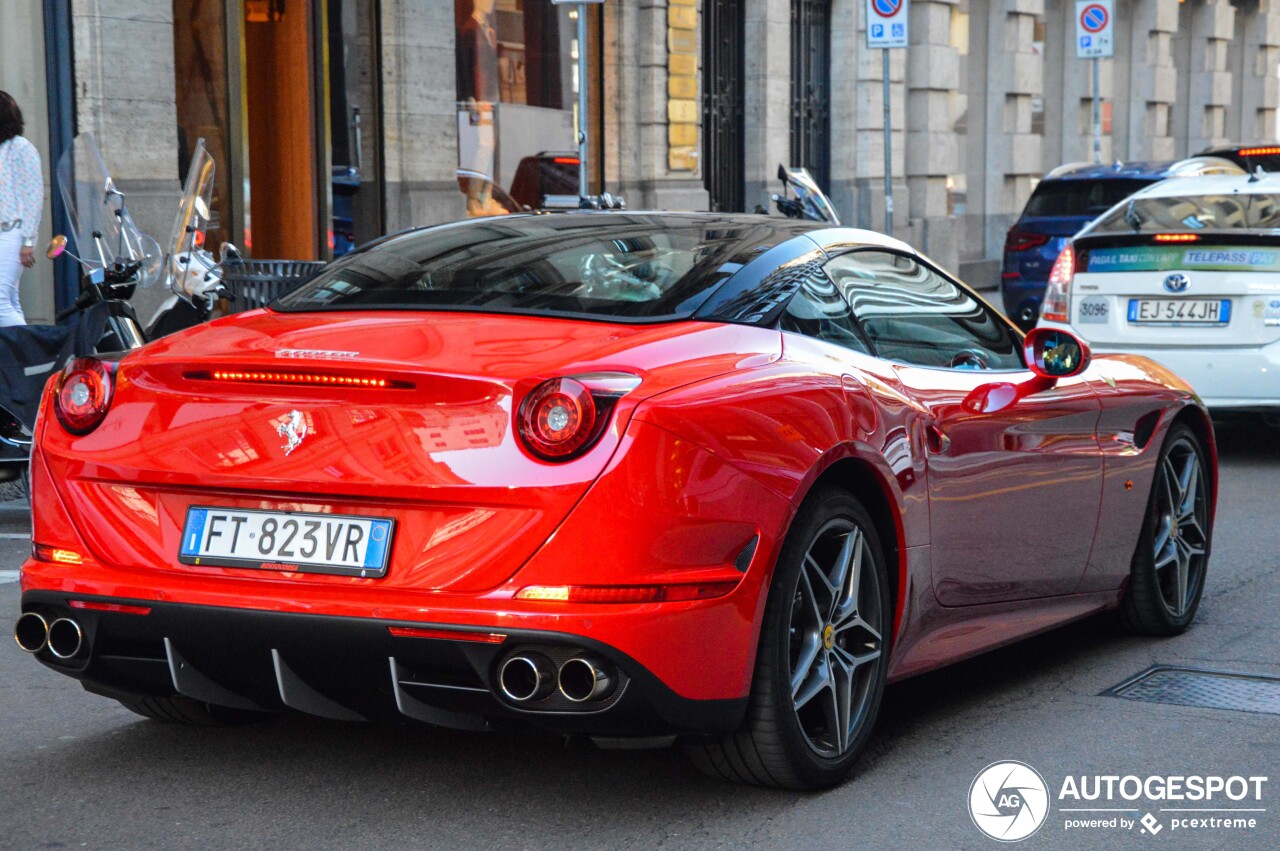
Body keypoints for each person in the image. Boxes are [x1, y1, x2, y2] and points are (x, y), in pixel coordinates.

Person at [0, 91, 43, 327]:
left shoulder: (21, 147)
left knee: (1, 303)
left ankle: (28, 352)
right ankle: (22, 357)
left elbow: (34, 195)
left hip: (12, 232)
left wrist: (28, 240)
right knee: (10, 300)